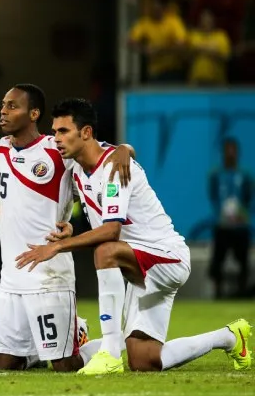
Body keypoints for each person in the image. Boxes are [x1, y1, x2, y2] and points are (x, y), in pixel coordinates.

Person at [17, 98, 251, 374]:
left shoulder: (114, 168)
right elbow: (109, 177)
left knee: (105, 250)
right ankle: (229, 337)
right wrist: (70, 226)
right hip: (138, 267)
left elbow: (111, 230)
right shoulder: (78, 168)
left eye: (64, 131)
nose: (56, 138)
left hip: (166, 258)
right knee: (143, 361)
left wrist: (58, 247)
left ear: (86, 132)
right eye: (55, 131)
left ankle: (110, 353)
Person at [0, 84, 133, 371]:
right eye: (3, 105)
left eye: (12, 106)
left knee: (65, 366)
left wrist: (124, 149)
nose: (3, 111)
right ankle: (45, 343)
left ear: (34, 114)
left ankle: (87, 336)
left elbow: (101, 156)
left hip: (49, 275)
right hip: (11, 277)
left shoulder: (57, 150)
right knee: (7, 363)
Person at [209, 137, 252, 298]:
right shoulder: (216, 174)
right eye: (228, 150)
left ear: (238, 153)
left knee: (243, 260)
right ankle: (218, 292)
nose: (230, 154)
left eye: (233, 150)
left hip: (240, 226)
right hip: (223, 226)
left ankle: (242, 291)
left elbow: (248, 197)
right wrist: (220, 214)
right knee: (218, 260)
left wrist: (242, 214)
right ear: (223, 153)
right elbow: (213, 196)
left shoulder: (245, 175)